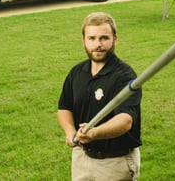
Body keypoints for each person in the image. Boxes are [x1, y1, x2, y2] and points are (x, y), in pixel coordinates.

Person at [57, 12, 142, 180]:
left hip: (114, 163)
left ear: (115, 39)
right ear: (84, 41)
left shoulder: (125, 76)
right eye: (92, 38)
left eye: (104, 38)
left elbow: (125, 121)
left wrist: (94, 133)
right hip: (81, 157)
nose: (98, 44)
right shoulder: (77, 72)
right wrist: (70, 131)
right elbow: (64, 108)